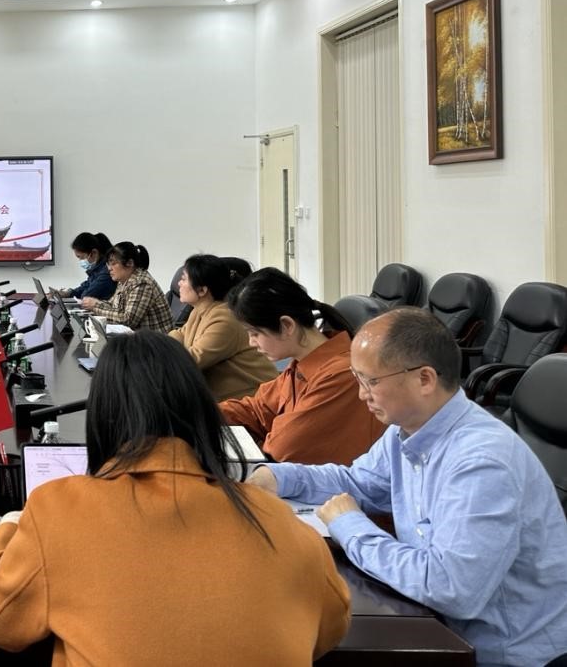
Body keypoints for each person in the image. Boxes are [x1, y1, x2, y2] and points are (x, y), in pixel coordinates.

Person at [0, 331, 350, 664]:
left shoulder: (57, 509)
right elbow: (329, 626)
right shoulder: (277, 519)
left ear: (103, 414)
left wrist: (9, 527)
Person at [248, 308, 567, 667]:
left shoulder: (482, 462)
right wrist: (279, 477)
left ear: (424, 379)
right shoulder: (409, 429)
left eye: (370, 381)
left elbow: (450, 588)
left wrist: (349, 525)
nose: (361, 395)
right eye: (357, 378)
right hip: (438, 625)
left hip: (501, 654)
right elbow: (359, 482)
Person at [222, 267, 380, 464]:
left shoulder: (341, 375)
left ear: (287, 325)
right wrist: (199, 412)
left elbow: (282, 450)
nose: (251, 342)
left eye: (255, 333)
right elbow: (257, 410)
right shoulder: (301, 365)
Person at [167, 254, 277, 402]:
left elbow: (194, 359)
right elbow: (179, 335)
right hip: (224, 399)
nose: (179, 284)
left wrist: (155, 355)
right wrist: (157, 346)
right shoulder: (199, 311)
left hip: (251, 400)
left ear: (202, 290)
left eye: (184, 279)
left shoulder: (224, 319)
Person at [79, 240, 171, 332]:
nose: (109, 268)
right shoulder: (124, 280)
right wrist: (94, 304)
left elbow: (128, 320)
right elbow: (113, 306)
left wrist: (96, 306)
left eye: (113, 264)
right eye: (108, 264)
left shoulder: (141, 283)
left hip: (154, 339)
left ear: (130, 263)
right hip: (136, 336)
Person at [58, 231, 114, 301]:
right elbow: (86, 286)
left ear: (94, 253)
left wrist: (74, 294)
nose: (80, 260)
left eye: (81, 257)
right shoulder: (96, 270)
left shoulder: (107, 271)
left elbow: (87, 295)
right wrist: (68, 293)